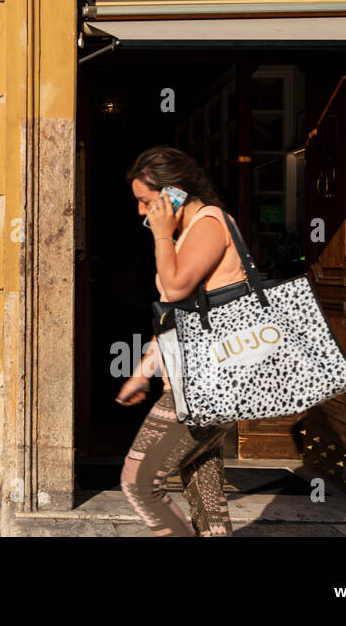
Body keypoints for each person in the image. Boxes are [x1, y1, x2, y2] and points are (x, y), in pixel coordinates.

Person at [116, 145, 245, 537]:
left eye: (146, 201)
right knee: (206, 498)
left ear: (174, 192)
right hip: (197, 383)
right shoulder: (191, 231)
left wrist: (161, 236)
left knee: (140, 483)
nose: (141, 211)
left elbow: (174, 290)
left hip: (209, 384)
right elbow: (179, 319)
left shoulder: (208, 223)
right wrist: (143, 372)